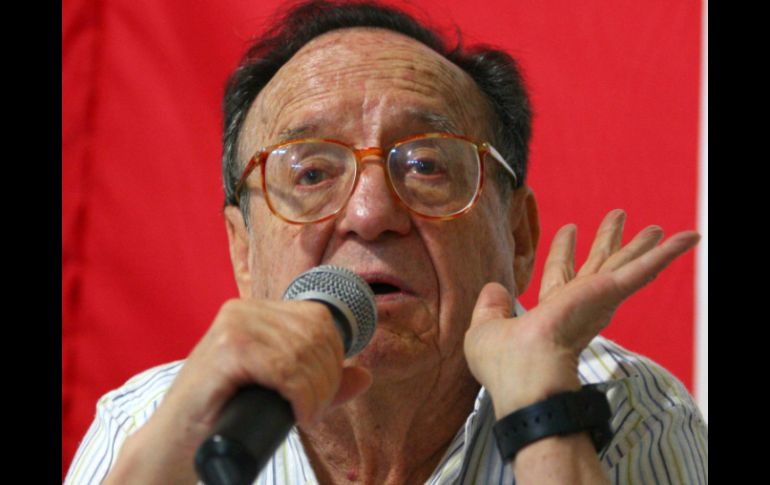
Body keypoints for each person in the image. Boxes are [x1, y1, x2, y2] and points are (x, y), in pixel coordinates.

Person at [64, 1, 707, 483]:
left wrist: (544, 415)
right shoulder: (150, 424)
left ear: (517, 236)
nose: (370, 214)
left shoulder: (625, 411)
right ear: (243, 250)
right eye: (312, 174)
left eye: (426, 165)